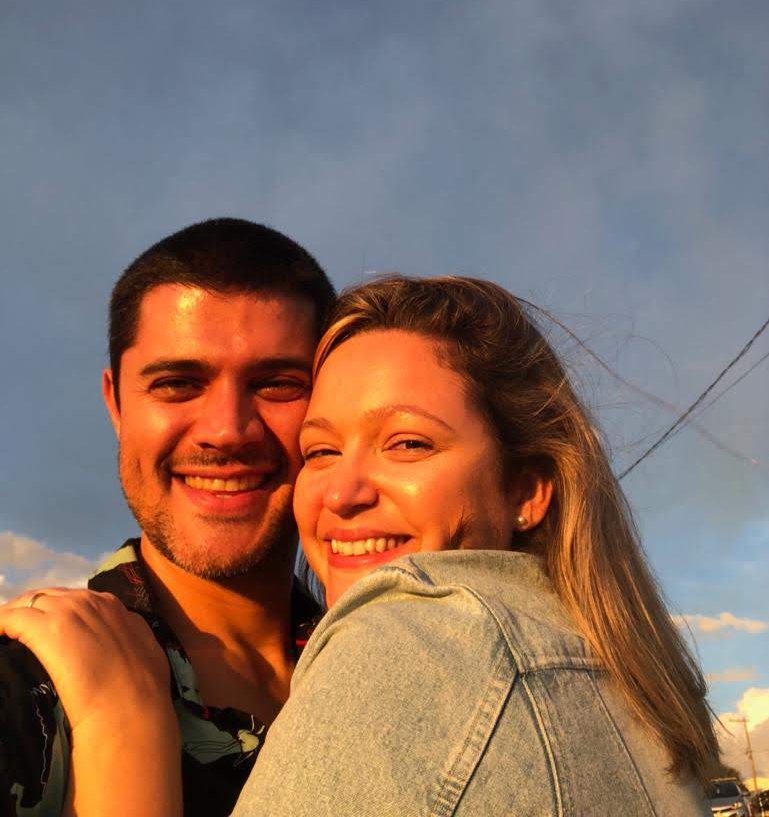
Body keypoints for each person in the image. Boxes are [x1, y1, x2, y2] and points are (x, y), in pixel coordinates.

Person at [0, 276, 717, 816]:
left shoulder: (409, 649)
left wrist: (124, 737)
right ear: (114, 401)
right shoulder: (28, 686)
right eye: (321, 449)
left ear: (526, 487)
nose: (342, 494)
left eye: (408, 443)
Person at [0, 217, 335, 817]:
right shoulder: (29, 688)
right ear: (116, 404)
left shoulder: (401, 673)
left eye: (277, 384)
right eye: (179, 383)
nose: (227, 431)